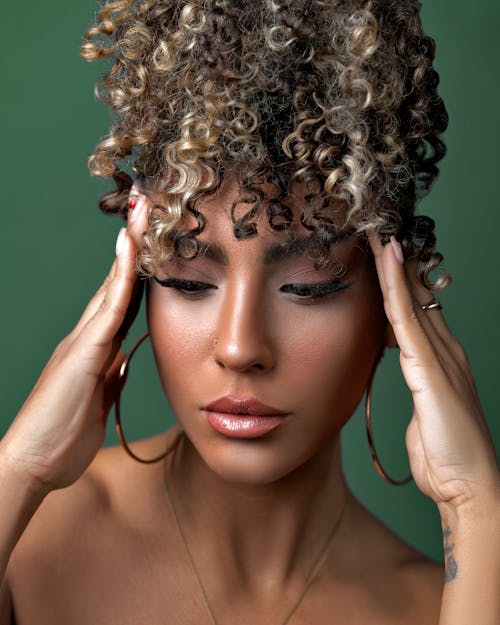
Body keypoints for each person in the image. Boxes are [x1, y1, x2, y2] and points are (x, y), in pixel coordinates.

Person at [0, 0, 498, 623]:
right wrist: (14, 471)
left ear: (393, 309)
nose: (239, 347)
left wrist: (475, 507)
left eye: (308, 286)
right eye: (186, 278)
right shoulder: (26, 545)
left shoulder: (446, 603)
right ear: (137, 283)